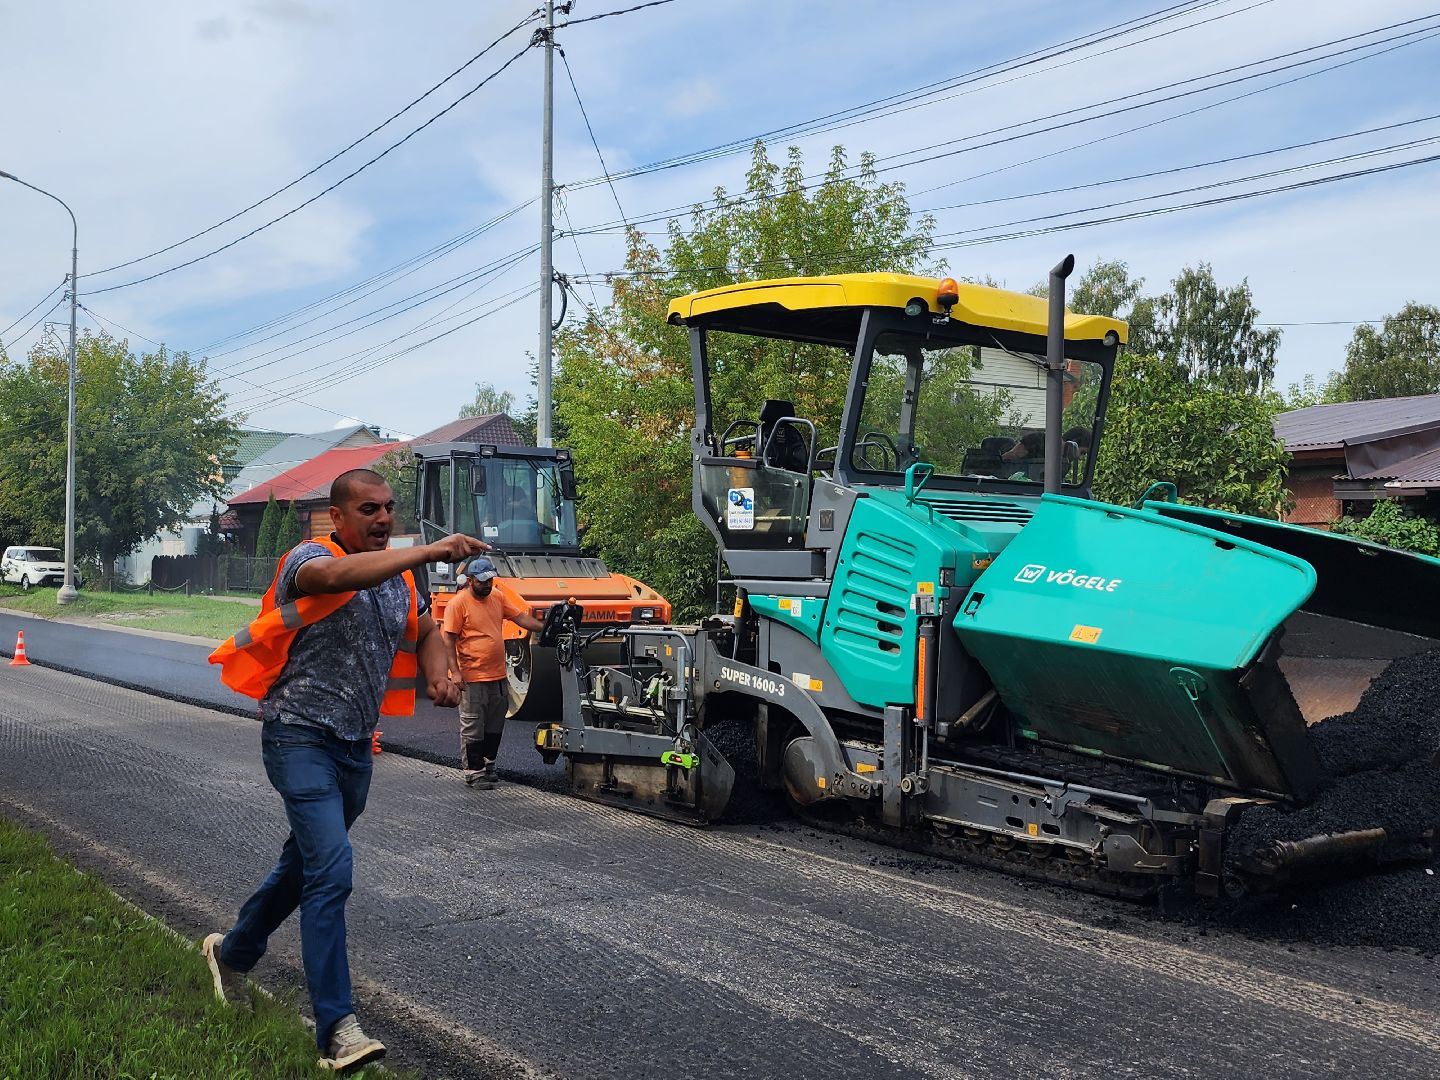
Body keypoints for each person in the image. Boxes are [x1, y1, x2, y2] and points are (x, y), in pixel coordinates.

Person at [202, 468, 485, 1072]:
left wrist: (439, 670)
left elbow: (428, 628)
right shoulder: (308, 558)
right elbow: (333, 579)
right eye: (368, 510)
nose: (383, 519)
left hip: (356, 746)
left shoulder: (398, 579)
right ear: (338, 517)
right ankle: (338, 1027)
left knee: (302, 866)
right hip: (297, 735)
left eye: (388, 509)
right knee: (331, 870)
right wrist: (429, 551)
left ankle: (234, 952)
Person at [441, 555, 545, 787]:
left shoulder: (497, 597)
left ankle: (489, 765)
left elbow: (520, 617)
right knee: (473, 726)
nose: (487, 585)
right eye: (482, 581)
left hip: (498, 675)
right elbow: (448, 640)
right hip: (472, 677)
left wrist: (544, 629)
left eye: (490, 580)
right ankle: (474, 771)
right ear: (469, 580)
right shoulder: (458, 604)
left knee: (495, 726)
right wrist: (454, 672)